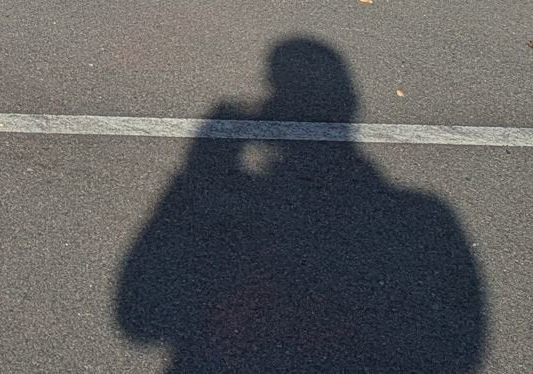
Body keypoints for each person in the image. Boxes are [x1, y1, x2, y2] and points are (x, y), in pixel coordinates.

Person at [116, 37, 484, 372]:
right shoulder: (425, 214)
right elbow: (458, 342)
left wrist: (206, 163)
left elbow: (139, 320)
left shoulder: (421, 215)